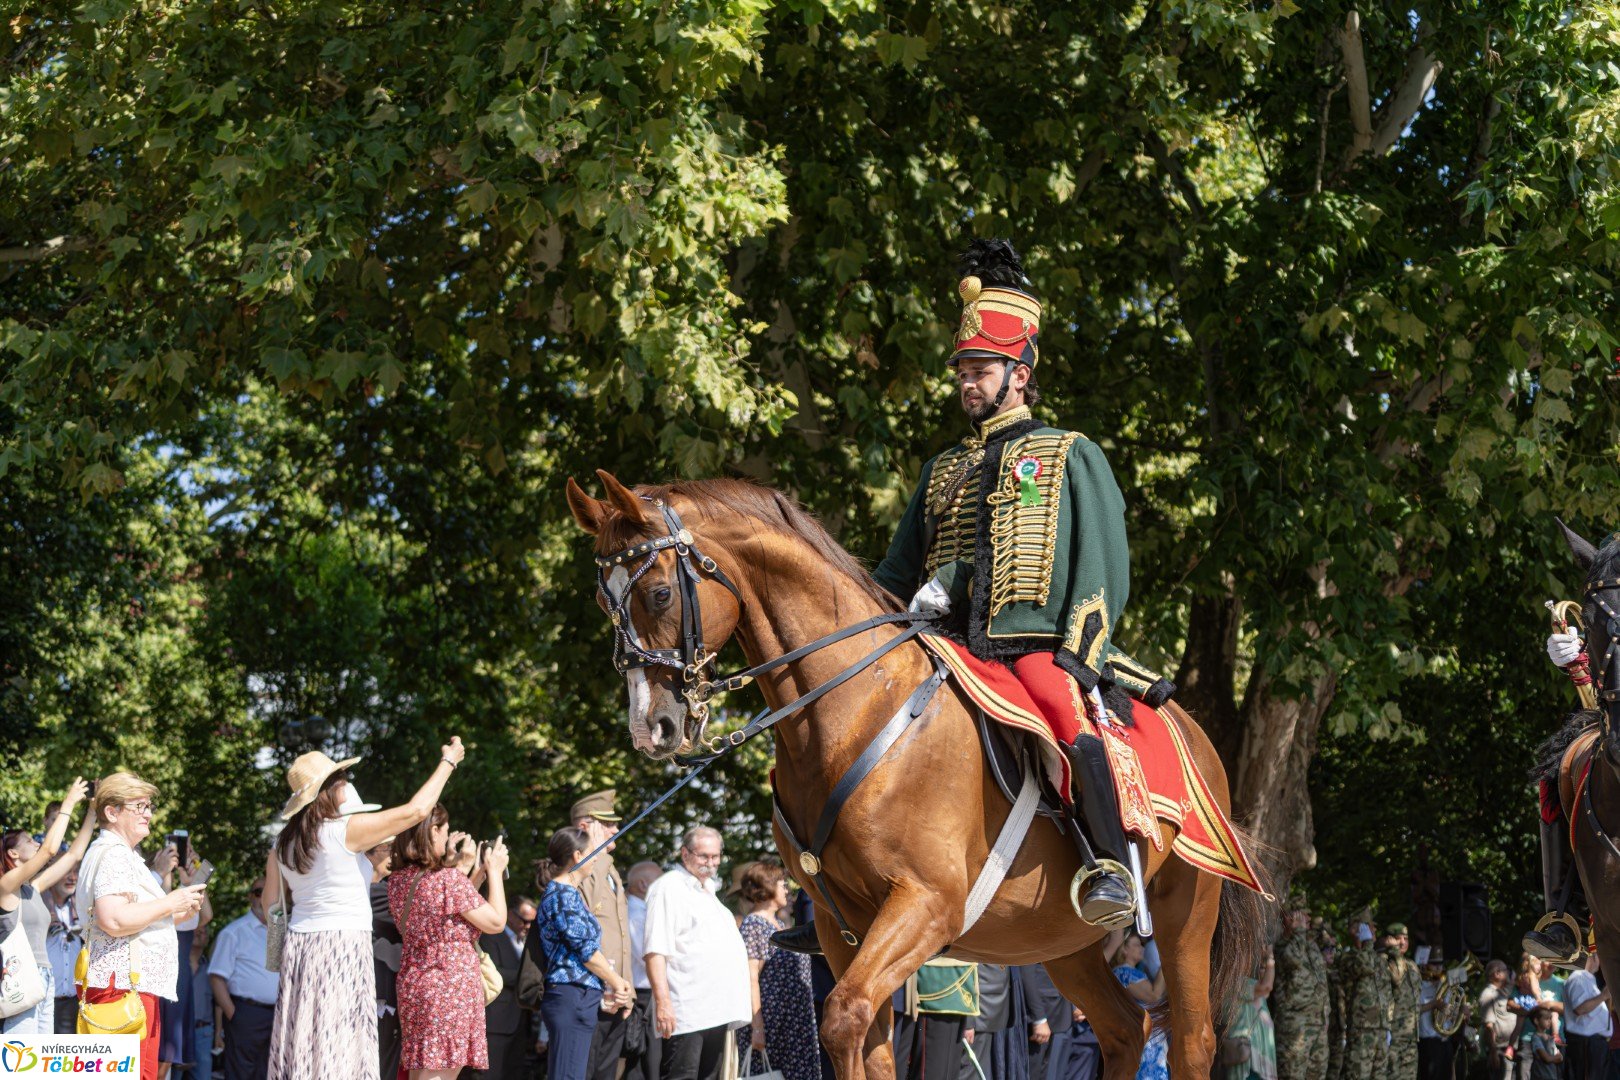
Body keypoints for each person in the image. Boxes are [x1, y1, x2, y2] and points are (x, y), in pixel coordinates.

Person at [865, 237, 1175, 934]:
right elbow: (892, 571)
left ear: (1021, 375)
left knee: (1065, 722)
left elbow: (1103, 564)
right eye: (962, 373)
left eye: (980, 370)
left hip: (1032, 643)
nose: (967, 384)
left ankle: (1108, 868)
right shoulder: (942, 468)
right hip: (939, 641)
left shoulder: (1068, 452)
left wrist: (1079, 655)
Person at [265, 738, 466, 1080]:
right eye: (341, 778)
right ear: (329, 790)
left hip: (300, 949)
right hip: (340, 946)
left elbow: (272, 905)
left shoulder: (283, 843)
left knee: (307, 1045)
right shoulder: (343, 832)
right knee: (340, 1046)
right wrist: (448, 762)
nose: (346, 783)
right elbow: (415, 811)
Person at [78, 771, 208, 1080]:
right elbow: (113, 919)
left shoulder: (123, 854)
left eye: (149, 806)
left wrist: (178, 910)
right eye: (140, 807)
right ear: (112, 812)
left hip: (126, 986)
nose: (149, 814)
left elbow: (132, 918)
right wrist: (169, 903)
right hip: (121, 989)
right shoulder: (115, 855)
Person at [389, 805, 511, 1079]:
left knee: (422, 1069)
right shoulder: (447, 880)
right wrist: (494, 871)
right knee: (439, 1073)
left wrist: (473, 877)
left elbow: (453, 909)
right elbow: (496, 922)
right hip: (449, 986)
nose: (446, 838)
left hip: (415, 983)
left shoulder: (398, 880)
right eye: (444, 831)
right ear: (433, 831)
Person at [643, 826, 750, 1080]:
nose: (710, 863)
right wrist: (663, 1003)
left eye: (715, 856)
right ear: (685, 853)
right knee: (682, 1075)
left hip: (717, 1010)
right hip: (687, 1011)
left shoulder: (709, 891)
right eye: (703, 856)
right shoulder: (669, 887)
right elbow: (655, 951)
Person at [534, 826, 635, 1080]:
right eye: (593, 851)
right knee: (568, 1074)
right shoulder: (561, 895)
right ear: (579, 856)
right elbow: (587, 951)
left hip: (580, 996)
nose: (596, 856)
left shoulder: (569, 894)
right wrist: (618, 982)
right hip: (570, 995)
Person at [2, 776, 96, 1035]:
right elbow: (49, 851)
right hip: (20, 982)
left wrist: (92, 811)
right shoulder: (5, 887)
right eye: (29, 841)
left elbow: (74, 854)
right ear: (13, 854)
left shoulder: (32, 888)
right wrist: (68, 802)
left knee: (42, 1062)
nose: (36, 843)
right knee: (20, 1067)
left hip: (45, 978)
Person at [571, 791, 633, 1080]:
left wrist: (626, 989)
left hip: (615, 994)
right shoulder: (572, 871)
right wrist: (593, 854)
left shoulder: (611, 870)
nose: (615, 830)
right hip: (589, 991)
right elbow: (587, 920)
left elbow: (621, 936)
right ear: (586, 827)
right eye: (607, 824)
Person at [734, 861, 817, 1080]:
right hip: (772, 1025)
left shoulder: (779, 924)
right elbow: (750, 978)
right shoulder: (754, 924)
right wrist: (757, 1026)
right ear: (767, 887)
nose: (787, 890)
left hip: (794, 1022)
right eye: (782, 884)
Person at [152, 838, 213, 1080]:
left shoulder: (183, 906)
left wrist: (194, 879)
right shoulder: (156, 904)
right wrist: (165, 872)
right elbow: (163, 906)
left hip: (179, 982)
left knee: (168, 1055)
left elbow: (206, 914)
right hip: (161, 981)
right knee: (159, 1054)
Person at [209, 877, 280, 1080]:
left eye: (269, 892)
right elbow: (216, 978)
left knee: (271, 1073)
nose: (264, 897)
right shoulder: (234, 933)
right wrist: (235, 1015)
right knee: (241, 1073)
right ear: (251, 897)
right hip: (246, 1014)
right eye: (258, 892)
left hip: (277, 1015)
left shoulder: (283, 932)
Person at [474, 894, 535, 1080]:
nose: (528, 926)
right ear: (510, 914)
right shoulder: (490, 937)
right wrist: (527, 977)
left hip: (520, 1020)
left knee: (513, 1072)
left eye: (532, 922)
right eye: (524, 920)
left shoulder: (525, 940)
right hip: (496, 1021)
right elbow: (492, 972)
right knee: (490, 1074)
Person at [1271, 896, 1330, 1080]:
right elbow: (1292, 959)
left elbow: (1322, 982)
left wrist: (1326, 1013)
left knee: (1316, 1074)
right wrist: (1298, 933)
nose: (1308, 920)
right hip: (1294, 1025)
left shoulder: (1311, 945)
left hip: (1317, 1024)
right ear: (1290, 918)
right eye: (1303, 915)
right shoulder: (1282, 945)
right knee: (1292, 1075)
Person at [1335, 917, 1390, 1080]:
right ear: (1356, 930)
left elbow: (1386, 993)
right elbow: (1365, 966)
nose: (1373, 931)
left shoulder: (1377, 959)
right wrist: (1366, 943)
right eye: (1368, 927)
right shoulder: (1349, 957)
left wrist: (1388, 1024)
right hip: (1361, 1030)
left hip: (1380, 1029)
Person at [1109, 929, 1167, 1080]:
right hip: (1143, 1036)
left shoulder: (1131, 972)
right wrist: (1166, 961)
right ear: (1124, 949)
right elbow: (1154, 996)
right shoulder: (1124, 972)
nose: (1142, 948)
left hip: (1146, 1035)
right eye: (1136, 945)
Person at [368, 841, 404, 1080]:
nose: (394, 854)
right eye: (386, 848)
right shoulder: (372, 892)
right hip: (377, 1000)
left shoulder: (382, 888)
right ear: (366, 853)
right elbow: (421, 916)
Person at [624, 861, 663, 1080]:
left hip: (646, 994)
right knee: (644, 1060)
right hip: (643, 995)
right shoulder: (636, 915)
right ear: (642, 884)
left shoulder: (642, 912)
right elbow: (646, 955)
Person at [1221, 960, 1277, 1080]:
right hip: (1249, 1064)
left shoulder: (1248, 986)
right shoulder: (1235, 984)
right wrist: (1270, 959)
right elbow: (1266, 986)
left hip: (1257, 1063)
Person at [44, 862, 83, 1034]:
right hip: (42, 1002)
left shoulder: (81, 908)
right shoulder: (40, 907)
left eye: (75, 872)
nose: (72, 877)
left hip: (72, 1003)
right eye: (66, 871)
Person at [1479, 959, 1530, 1080]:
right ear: (1497, 974)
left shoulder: (1503, 992)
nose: (1509, 972)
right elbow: (1488, 1026)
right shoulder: (1488, 994)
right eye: (1505, 970)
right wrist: (1493, 1052)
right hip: (1499, 1051)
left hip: (1510, 1049)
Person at [1563, 951, 1611, 1080]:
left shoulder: (1588, 979)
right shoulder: (1579, 977)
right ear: (1593, 957)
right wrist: (1603, 996)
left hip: (1594, 1045)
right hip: (1586, 1044)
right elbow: (1580, 1009)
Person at [1381, 924, 1420, 1080]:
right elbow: (1397, 978)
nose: (1403, 942)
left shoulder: (1411, 965)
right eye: (1398, 939)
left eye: (1406, 938)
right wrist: (1394, 953)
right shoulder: (1384, 961)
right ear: (1389, 940)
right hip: (1394, 1035)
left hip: (1411, 1036)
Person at [1415, 951, 1455, 1080]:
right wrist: (1433, 1004)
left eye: (1441, 964)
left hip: (1445, 1042)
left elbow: (1451, 1015)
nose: (1438, 967)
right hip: (1428, 1043)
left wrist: (1460, 1012)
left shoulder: (1447, 988)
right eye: (1434, 964)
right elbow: (1414, 1010)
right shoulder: (1419, 986)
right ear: (1425, 965)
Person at [1528, 1005, 1562, 1080]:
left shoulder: (1550, 1038)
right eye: (1546, 1019)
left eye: (1550, 1018)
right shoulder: (1536, 1038)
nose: (1550, 1021)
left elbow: (1560, 1058)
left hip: (1552, 1075)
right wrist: (1554, 1058)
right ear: (1536, 1021)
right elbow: (1547, 1058)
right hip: (1540, 1076)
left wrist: (1553, 1058)